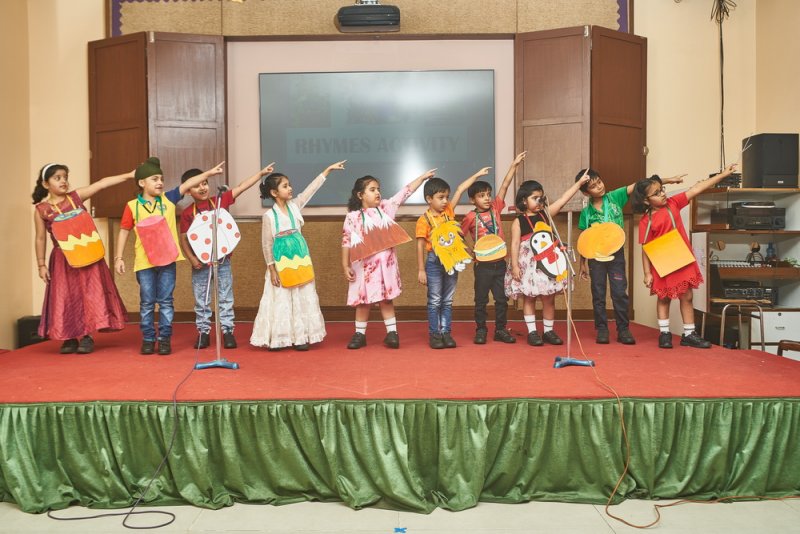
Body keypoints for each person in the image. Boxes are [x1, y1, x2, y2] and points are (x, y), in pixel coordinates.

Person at [115, 157, 224, 356]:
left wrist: (208, 173)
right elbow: (123, 231)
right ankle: (148, 339)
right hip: (144, 263)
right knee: (147, 302)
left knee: (166, 301)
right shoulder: (132, 206)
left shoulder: (168, 199)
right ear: (142, 183)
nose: (160, 183)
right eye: (154, 179)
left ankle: (164, 339)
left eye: (161, 179)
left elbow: (188, 184)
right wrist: (118, 257)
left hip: (168, 261)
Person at [632, 163, 737, 349]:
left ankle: (689, 334)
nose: (662, 194)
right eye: (656, 193)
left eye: (662, 189)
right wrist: (647, 273)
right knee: (664, 298)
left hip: (682, 259)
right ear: (646, 201)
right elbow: (646, 248)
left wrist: (722, 175)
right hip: (662, 262)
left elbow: (696, 189)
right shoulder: (646, 221)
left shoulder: (674, 203)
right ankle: (664, 333)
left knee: (687, 296)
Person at [576, 169, 686, 345]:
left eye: (599, 182)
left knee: (619, 292)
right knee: (598, 293)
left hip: (616, 254)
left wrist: (670, 180)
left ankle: (623, 329)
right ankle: (602, 329)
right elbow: (585, 239)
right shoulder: (586, 213)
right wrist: (583, 263)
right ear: (586, 192)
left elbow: (641, 185)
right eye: (594, 186)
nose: (599, 187)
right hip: (595, 257)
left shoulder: (615, 197)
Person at [32, 163, 133, 354]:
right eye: (57, 178)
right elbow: (40, 238)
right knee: (65, 296)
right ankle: (69, 338)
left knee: (89, 294)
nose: (63, 181)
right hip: (62, 259)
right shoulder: (42, 210)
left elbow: (101, 184)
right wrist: (41, 265)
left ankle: (87, 336)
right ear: (46, 184)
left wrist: (129, 175)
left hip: (88, 255)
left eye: (65, 177)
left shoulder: (75, 198)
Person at [250, 161, 346, 351]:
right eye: (285, 186)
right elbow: (267, 244)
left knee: (302, 297)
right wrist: (272, 269)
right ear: (274, 192)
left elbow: (310, 190)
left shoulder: (295, 207)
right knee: (281, 299)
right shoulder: (269, 216)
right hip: (281, 264)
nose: (290, 188)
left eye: (290, 185)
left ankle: (301, 337)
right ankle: (280, 338)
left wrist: (326, 171)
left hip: (300, 259)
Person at [179, 163, 275, 350]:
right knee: (202, 299)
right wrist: (192, 259)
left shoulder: (219, 201)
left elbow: (241, 187)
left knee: (225, 297)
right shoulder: (187, 213)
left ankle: (227, 331)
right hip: (201, 263)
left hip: (222, 261)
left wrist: (261, 173)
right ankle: (203, 332)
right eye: (197, 185)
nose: (202, 187)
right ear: (188, 190)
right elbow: (184, 238)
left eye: (205, 183)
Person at [342, 168, 437, 349]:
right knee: (363, 301)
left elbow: (405, 192)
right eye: (372, 190)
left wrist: (423, 177)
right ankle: (359, 334)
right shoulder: (353, 217)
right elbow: (346, 240)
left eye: (378, 189)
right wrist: (345, 265)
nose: (377, 192)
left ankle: (392, 333)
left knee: (386, 299)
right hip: (363, 267)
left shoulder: (386, 208)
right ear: (360, 195)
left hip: (385, 266)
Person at [505, 176, 588, 346]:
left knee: (549, 297)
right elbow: (514, 244)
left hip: (547, 264)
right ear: (524, 200)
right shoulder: (518, 221)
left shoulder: (545, 215)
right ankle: (532, 332)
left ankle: (548, 331)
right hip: (528, 265)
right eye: (534, 198)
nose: (539, 201)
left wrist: (579, 184)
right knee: (529, 297)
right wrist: (514, 266)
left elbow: (563, 199)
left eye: (541, 197)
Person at [415, 168, 489, 349]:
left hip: (452, 261)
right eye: (440, 197)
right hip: (434, 262)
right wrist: (421, 270)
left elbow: (460, 189)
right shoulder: (424, 220)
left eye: (446, 197)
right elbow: (419, 245)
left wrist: (477, 175)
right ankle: (435, 334)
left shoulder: (448, 211)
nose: (445, 201)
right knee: (434, 300)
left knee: (447, 300)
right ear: (429, 199)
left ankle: (446, 332)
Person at [460, 152, 526, 345]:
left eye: (488, 194)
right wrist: (469, 251)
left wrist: (513, 165)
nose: (487, 198)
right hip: (482, 266)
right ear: (472, 200)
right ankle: (481, 330)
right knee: (481, 300)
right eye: (481, 196)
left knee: (501, 299)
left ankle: (500, 330)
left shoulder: (496, 208)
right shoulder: (470, 217)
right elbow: (458, 236)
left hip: (500, 263)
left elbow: (505, 185)